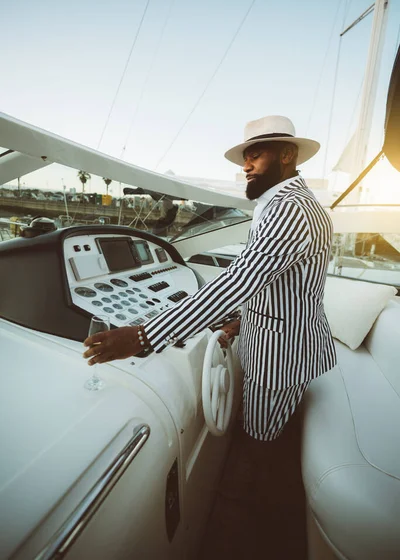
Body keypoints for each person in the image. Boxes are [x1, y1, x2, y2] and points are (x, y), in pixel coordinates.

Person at [84, 115, 336, 442]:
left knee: (261, 437)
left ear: (286, 155)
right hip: (272, 341)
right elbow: (280, 282)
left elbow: (241, 279)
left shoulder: (291, 209)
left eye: (255, 155)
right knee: (255, 424)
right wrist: (245, 321)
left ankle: (257, 489)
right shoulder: (282, 204)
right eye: (246, 158)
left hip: (281, 356)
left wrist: (143, 337)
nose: (246, 166)